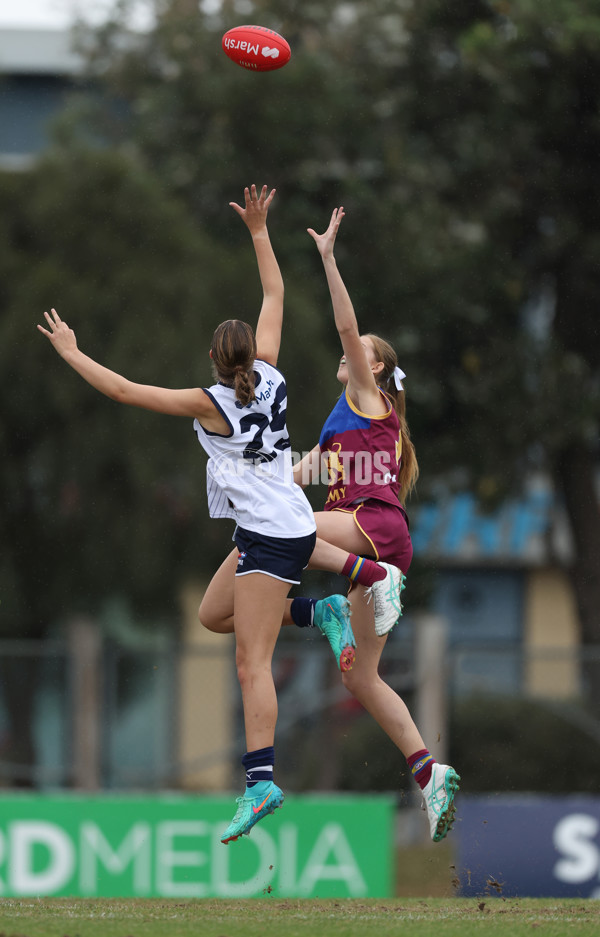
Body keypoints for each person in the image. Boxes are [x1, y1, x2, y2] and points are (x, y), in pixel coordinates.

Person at [37, 184, 406, 845]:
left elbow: (124, 389)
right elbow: (275, 297)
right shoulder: (272, 373)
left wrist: (70, 352)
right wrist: (259, 232)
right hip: (278, 524)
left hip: (272, 537)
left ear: (214, 358)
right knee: (213, 614)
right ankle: (321, 611)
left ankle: (260, 779)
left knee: (250, 662)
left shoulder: (210, 401)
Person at [200, 204, 460, 843]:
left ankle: (351, 590)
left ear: (374, 369)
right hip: (362, 535)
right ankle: (430, 772)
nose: (351, 353)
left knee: (289, 534)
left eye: (362, 354)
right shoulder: (339, 420)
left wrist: (328, 259)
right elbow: (292, 477)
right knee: (357, 675)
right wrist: (248, 475)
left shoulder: (369, 399)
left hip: (371, 527)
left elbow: (346, 323)